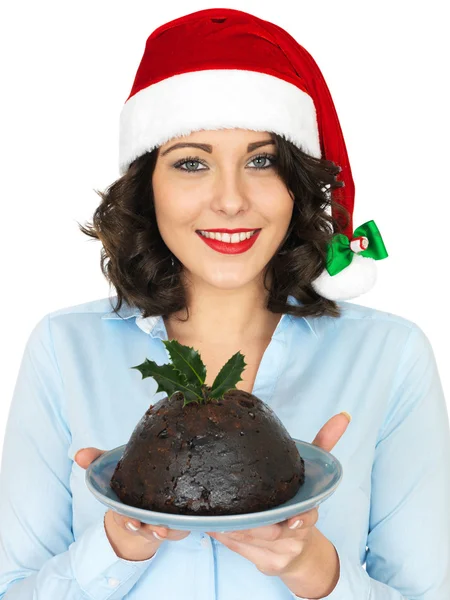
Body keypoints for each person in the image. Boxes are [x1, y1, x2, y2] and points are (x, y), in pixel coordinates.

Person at [0, 6, 449, 600]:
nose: (231, 201)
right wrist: (114, 546)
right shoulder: (64, 348)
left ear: (296, 183)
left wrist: (317, 573)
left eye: (261, 161)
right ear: (146, 185)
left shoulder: (390, 357)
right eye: (192, 163)